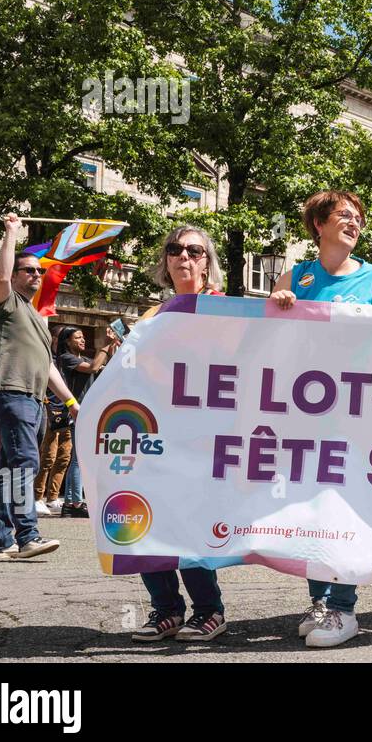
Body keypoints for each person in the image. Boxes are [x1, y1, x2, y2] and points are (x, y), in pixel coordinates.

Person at [271, 191, 372, 647]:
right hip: (305, 414)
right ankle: (318, 599)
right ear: (318, 224)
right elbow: (267, 338)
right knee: (311, 509)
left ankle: (342, 607)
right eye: (344, 215)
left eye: (359, 218)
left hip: (357, 414)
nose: (354, 223)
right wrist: (275, 303)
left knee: (346, 504)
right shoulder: (296, 276)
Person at [128, 225, 232, 643]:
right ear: (165, 261)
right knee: (145, 518)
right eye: (175, 249)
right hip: (155, 435)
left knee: (190, 522)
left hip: (204, 435)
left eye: (195, 250)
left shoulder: (227, 309)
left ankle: (209, 609)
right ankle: (166, 609)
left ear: (208, 263)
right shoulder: (151, 317)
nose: (184, 256)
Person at [0, 213, 79, 561]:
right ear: (17, 275)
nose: (37, 275)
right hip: (11, 391)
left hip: (33, 399)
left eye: (39, 271)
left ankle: (1, 542)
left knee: (8, 468)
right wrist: (11, 233)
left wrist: (71, 403)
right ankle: (28, 535)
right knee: (24, 462)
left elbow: (48, 366)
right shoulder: (6, 303)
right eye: (30, 270)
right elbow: (3, 274)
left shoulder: (35, 317)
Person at [34, 328, 118, 515]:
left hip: (88, 411)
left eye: (82, 336)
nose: (82, 340)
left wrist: (112, 347)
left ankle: (72, 502)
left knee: (76, 458)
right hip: (76, 412)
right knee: (77, 459)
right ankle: (73, 503)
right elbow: (94, 368)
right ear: (67, 342)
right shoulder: (67, 358)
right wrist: (104, 345)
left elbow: (104, 370)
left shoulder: (84, 359)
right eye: (77, 337)